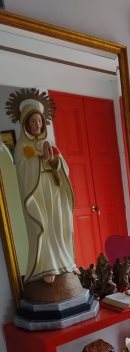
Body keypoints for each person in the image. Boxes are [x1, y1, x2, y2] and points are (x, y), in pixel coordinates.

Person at [8, 90, 76, 285]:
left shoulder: (49, 142)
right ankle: (47, 266)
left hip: (53, 189)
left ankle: (66, 261)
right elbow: (22, 170)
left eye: (40, 121)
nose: (37, 124)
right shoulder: (22, 147)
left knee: (59, 223)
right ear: (26, 124)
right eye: (33, 121)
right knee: (43, 226)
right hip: (37, 192)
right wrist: (40, 159)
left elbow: (64, 167)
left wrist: (53, 160)